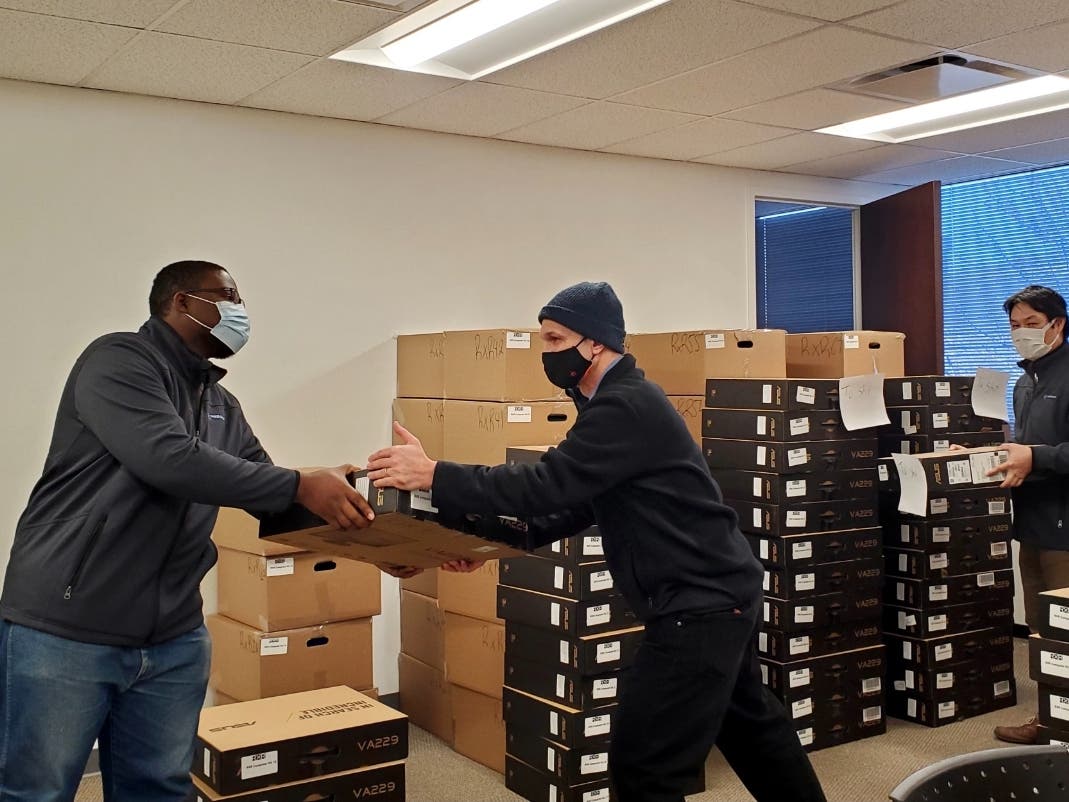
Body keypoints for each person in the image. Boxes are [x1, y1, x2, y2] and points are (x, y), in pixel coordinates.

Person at [367, 281, 827, 802]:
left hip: (697, 605)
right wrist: (483, 544)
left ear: (596, 344)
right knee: (752, 730)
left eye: (555, 338)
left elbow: (544, 485)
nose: (546, 351)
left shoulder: (625, 406)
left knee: (645, 766)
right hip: (717, 594)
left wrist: (433, 474)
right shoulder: (609, 404)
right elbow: (574, 506)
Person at [0, 260, 382, 802]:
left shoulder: (222, 406)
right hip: (68, 627)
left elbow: (271, 500)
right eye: (227, 297)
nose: (239, 311)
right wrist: (301, 483)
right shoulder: (117, 361)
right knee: (36, 792)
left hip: (174, 637)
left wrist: (379, 540)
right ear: (181, 302)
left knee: (158, 788)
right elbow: (169, 458)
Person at [990, 284, 1069, 745]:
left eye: (1032, 325)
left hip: (1066, 526)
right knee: (1042, 631)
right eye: (1015, 326)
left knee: (1066, 629)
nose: (1021, 334)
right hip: (1033, 523)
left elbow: (1043, 454)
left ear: (1057, 324)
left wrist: (1035, 458)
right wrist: (988, 457)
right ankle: (1049, 720)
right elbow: (1025, 451)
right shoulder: (1024, 382)